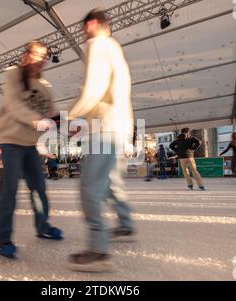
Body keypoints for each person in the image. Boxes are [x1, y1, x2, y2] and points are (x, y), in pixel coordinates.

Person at [66, 9, 135, 272]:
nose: (83, 34)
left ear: (92, 24)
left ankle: (99, 250)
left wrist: (70, 116)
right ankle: (122, 226)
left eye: (84, 28)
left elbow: (93, 88)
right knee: (108, 185)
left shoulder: (97, 45)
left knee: (90, 189)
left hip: (105, 131)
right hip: (116, 130)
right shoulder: (116, 49)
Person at [0, 40, 63, 260]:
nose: (40, 60)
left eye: (44, 56)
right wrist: (36, 122)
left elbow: (53, 113)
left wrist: (74, 125)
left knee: (39, 189)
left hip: (31, 145)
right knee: (10, 191)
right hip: (11, 141)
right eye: (36, 55)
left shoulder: (44, 86)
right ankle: (2, 239)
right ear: (26, 55)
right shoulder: (13, 74)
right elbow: (14, 105)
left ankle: (43, 226)